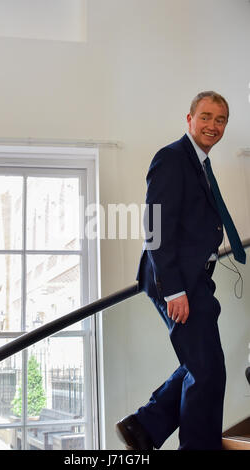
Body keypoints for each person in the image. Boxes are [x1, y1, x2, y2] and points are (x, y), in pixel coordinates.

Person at [115, 91, 246, 450]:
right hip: (175, 281)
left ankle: (143, 427)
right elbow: (156, 227)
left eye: (220, 120)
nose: (212, 126)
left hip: (195, 279)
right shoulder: (172, 158)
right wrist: (174, 290)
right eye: (205, 117)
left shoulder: (199, 162)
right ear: (189, 120)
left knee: (202, 365)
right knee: (207, 371)